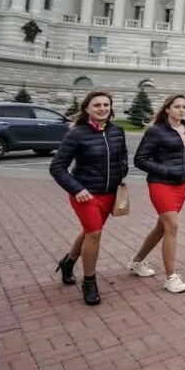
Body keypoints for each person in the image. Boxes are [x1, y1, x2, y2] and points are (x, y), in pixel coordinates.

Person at [49, 91, 129, 306]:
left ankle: (68, 262)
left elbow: (122, 156)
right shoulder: (77, 134)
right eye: (97, 105)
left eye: (106, 104)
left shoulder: (117, 131)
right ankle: (89, 281)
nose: (102, 108)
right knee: (94, 233)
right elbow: (57, 167)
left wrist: (122, 171)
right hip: (86, 195)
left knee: (88, 232)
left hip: (109, 194)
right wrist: (77, 189)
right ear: (87, 109)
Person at [128, 93, 185, 293]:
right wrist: (168, 170)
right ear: (167, 108)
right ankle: (170, 278)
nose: (181, 110)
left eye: (184, 107)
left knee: (162, 228)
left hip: (182, 184)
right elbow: (140, 160)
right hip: (161, 184)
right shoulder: (155, 131)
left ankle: (137, 262)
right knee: (172, 226)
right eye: (177, 106)